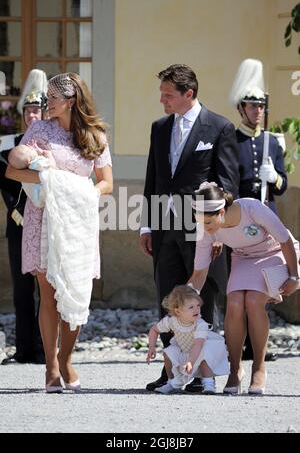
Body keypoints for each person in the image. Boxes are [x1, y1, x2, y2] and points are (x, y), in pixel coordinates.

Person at [6, 72, 113, 393]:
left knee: (76, 291)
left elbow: (106, 183)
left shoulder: (96, 135)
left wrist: (82, 192)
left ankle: (66, 357)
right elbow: (13, 170)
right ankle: (52, 366)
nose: (47, 102)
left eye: (52, 97)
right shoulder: (38, 130)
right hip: (43, 222)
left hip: (78, 224)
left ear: (71, 101)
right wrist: (54, 182)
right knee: (49, 294)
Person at [139, 64, 240, 392]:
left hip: (200, 230)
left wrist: (217, 231)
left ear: (189, 94)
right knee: (169, 299)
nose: (162, 100)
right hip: (165, 229)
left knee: (201, 298)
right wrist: (147, 225)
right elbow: (153, 177)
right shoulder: (158, 128)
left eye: (168, 95)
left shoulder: (220, 127)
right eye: (162, 94)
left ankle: (200, 372)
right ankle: (171, 373)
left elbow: (227, 183)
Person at [189, 182, 300, 395]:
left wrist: (294, 276)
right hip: (243, 258)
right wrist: (183, 297)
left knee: (253, 300)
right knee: (235, 302)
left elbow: (285, 240)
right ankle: (235, 369)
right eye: (200, 221)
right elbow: (199, 273)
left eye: (209, 221)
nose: (205, 227)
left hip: (275, 252)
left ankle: (259, 367)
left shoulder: (251, 208)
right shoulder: (205, 229)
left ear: (221, 211)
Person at [229, 59, 288, 361]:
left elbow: (283, 184)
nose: (257, 111)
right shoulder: (231, 140)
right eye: (251, 106)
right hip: (240, 223)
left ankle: (257, 346)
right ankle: (237, 344)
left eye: (260, 106)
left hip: (267, 220)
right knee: (239, 287)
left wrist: (274, 177)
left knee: (264, 285)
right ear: (241, 109)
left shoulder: (272, 143)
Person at [0, 69, 48, 365]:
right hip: (18, 224)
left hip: (45, 224)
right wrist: (15, 209)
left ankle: (45, 351)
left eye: (37, 110)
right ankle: (24, 350)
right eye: (28, 111)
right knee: (21, 290)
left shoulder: (51, 142)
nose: (32, 116)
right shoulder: (9, 144)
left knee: (46, 289)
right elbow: (4, 181)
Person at [147, 285, 229, 394]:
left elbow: (198, 345)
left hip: (199, 349)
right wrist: (151, 347)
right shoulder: (171, 321)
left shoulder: (200, 324)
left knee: (205, 355)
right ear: (178, 312)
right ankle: (171, 382)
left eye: (198, 305)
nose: (196, 310)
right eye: (191, 307)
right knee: (168, 353)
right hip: (184, 349)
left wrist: (190, 362)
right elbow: (154, 330)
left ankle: (208, 383)